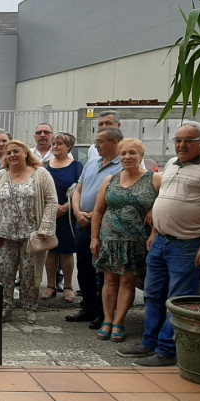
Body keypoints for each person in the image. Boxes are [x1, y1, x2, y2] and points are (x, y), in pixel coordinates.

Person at [118, 122, 200, 367]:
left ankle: (167, 351)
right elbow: (163, 198)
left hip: (187, 245)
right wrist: (155, 230)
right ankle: (149, 342)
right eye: (178, 140)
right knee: (153, 295)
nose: (181, 145)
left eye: (188, 140)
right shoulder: (172, 164)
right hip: (161, 242)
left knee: (177, 298)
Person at [90, 138, 161, 342]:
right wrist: (94, 238)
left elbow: (168, 200)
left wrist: (153, 209)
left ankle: (119, 322)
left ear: (141, 156)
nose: (127, 157)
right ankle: (108, 320)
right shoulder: (110, 179)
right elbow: (97, 211)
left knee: (128, 281)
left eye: (132, 153)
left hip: (136, 240)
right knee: (109, 280)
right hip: (110, 238)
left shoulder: (155, 179)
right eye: (123, 153)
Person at [0, 139, 57, 324]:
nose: (12, 155)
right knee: (4, 273)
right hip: (5, 236)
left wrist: (45, 228)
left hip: (32, 237)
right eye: (8, 153)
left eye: (16, 151)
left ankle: (29, 307)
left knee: (30, 274)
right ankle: (5, 307)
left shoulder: (41, 174)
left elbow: (51, 201)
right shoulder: (0, 176)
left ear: (26, 153)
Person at [66, 127, 124, 328]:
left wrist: (96, 214)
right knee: (84, 267)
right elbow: (78, 190)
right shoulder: (91, 163)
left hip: (106, 225)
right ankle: (88, 307)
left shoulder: (122, 166)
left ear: (115, 142)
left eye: (101, 141)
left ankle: (103, 312)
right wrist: (78, 212)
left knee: (103, 271)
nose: (96, 145)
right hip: (83, 223)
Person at [43, 132, 82, 303]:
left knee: (66, 252)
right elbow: (40, 189)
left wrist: (67, 206)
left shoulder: (77, 166)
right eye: (54, 143)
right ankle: (51, 286)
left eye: (60, 143)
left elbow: (80, 190)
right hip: (49, 214)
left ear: (69, 147)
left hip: (68, 217)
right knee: (50, 251)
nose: (55, 146)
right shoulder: (44, 166)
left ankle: (67, 286)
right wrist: (52, 207)